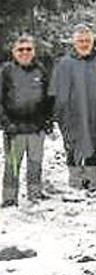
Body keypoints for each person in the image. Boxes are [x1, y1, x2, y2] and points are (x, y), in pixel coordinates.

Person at [50, 24, 96, 191]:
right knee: (72, 145)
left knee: (92, 145)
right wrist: (58, 112)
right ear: (74, 43)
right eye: (80, 40)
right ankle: (75, 183)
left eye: (87, 40)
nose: (84, 44)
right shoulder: (64, 64)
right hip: (71, 114)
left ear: (92, 42)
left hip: (95, 112)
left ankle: (91, 183)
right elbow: (55, 91)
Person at [0, 35, 53, 206]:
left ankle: (35, 194)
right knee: (12, 165)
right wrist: (6, 122)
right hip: (14, 128)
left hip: (36, 128)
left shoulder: (41, 70)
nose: (25, 53)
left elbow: (48, 98)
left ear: (34, 51)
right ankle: (9, 198)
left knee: (35, 163)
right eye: (20, 49)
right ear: (14, 52)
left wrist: (47, 120)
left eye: (28, 49)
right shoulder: (6, 71)